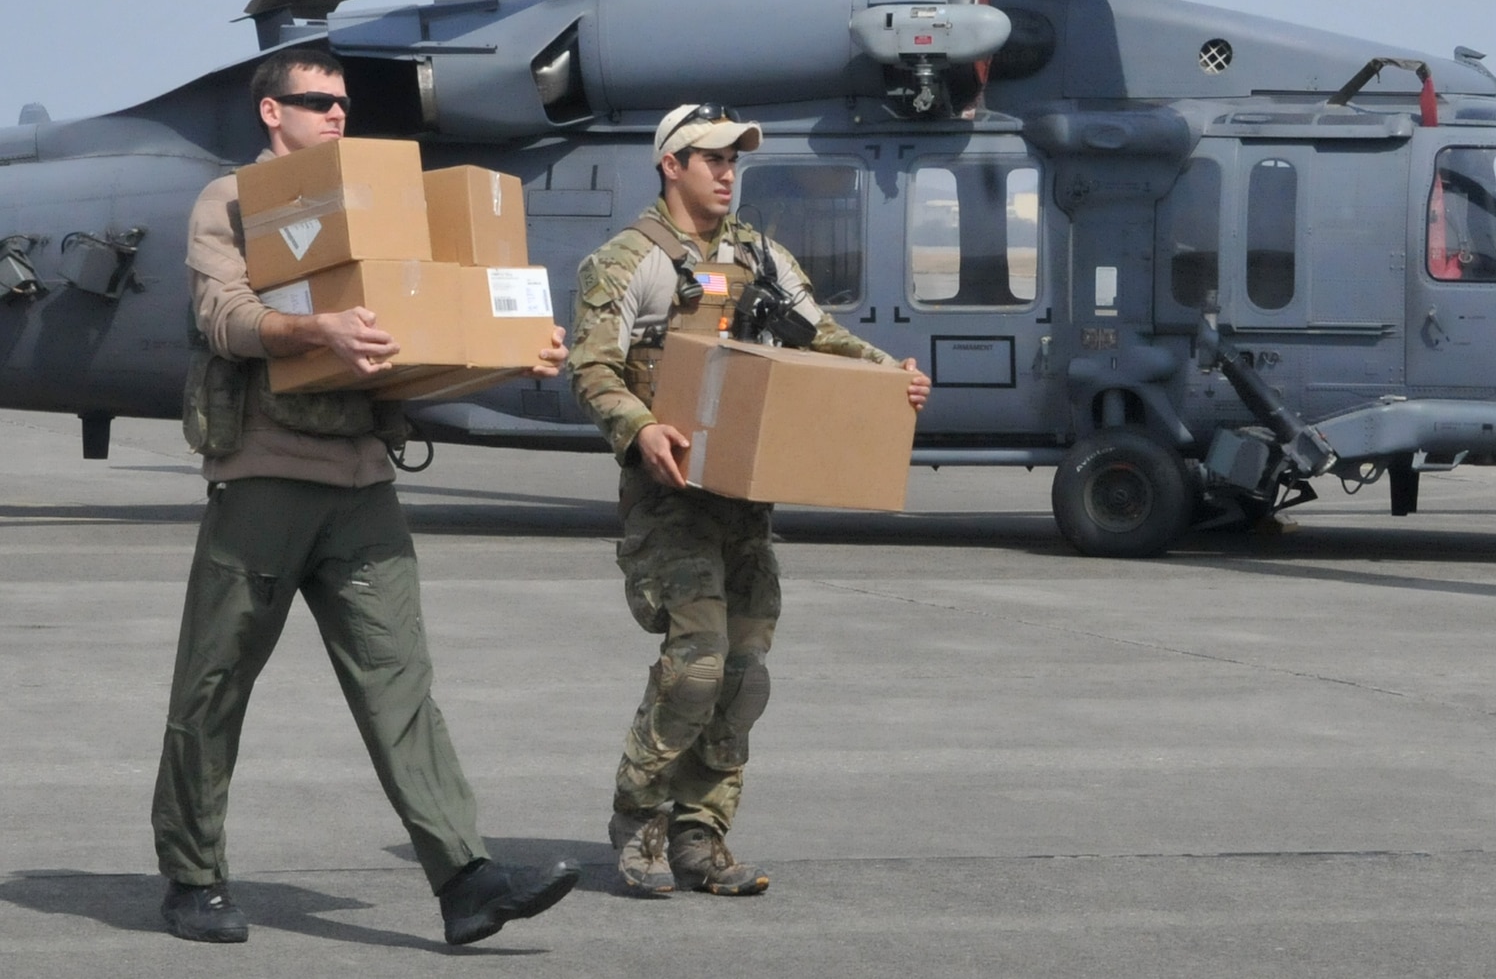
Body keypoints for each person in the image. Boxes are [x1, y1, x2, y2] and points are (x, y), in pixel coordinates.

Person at [155, 46, 579, 946]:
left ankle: (467, 878)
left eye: (344, 102)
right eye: (318, 101)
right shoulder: (230, 201)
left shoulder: (377, 208)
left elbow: (412, 355)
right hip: (265, 475)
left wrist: (508, 354)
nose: (338, 113)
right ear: (273, 113)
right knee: (216, 682)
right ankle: (193, 876)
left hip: (362, 480)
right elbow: (223, 318)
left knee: (401, 687)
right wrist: (317, 327)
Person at [569, 103, 930, 896]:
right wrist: (639, 428)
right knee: (695, 664)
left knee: (745, 671)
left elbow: (820, 335)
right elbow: (592, 368)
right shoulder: (627, 261)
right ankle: (639, 820)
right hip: (670, 502)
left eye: (735, 159)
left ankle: (703, 837)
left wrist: (888, 374)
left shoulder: (760, 255)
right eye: (711, 158)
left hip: (745, 502)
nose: (728, 171)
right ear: (671, 164)